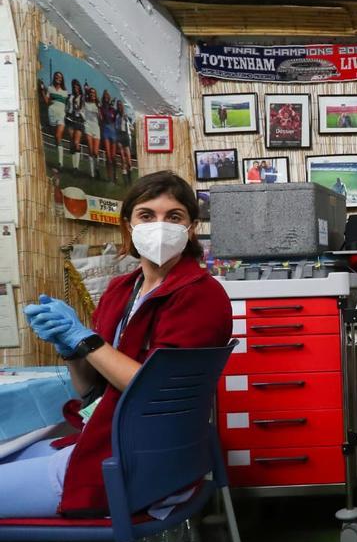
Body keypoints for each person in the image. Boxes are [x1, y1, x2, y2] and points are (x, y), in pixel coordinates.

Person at [5, 172, 232, 518]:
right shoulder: (121, 290)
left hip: (141, 462)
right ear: (128, 226)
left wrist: (86, 339)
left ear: (190, 228)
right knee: (9, 453)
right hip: (108, 436)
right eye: (146, 215)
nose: (159, 225)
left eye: (173, 216)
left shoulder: (201, 294)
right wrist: (70, 348)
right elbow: (90, 389)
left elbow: (153, 389)